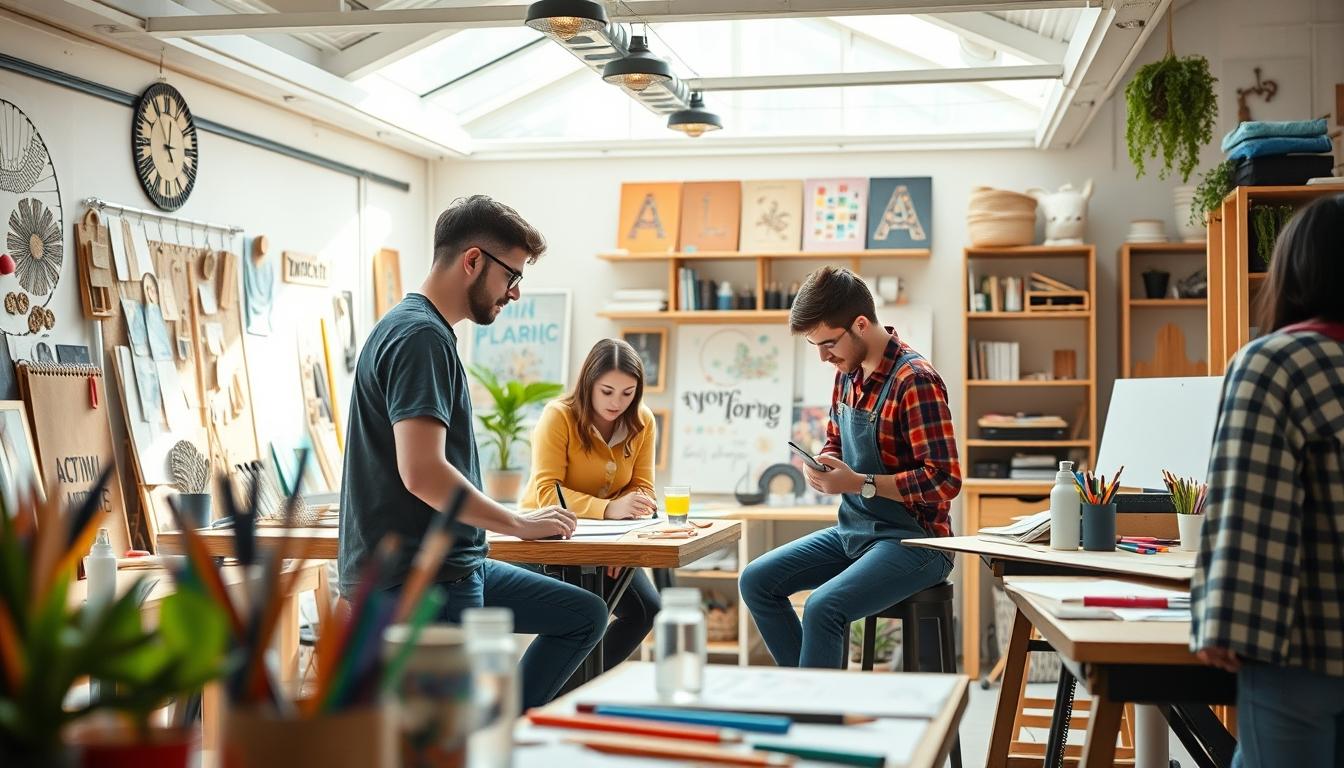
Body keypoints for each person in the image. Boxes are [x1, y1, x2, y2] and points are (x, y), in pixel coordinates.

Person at [337, 195, 607, 709]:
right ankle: (491, 738)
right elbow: (423, 473)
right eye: (513, 276)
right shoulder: (420, 337)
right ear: (474, 260)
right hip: (424, 580)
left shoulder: (420, 329)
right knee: (446, 741)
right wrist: (518, 523)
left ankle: (503, 732)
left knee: (583, 615)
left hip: (454, 566)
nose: (517, 293)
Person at [739, 266, 961, 669]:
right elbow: (835, 440)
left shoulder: (916, 381)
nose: (824, 357)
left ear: (860, 324)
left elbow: (945, 481)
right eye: (815, 347)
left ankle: (815, 721)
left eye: (828, 344)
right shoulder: (848, 373)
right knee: (756, 580)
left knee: (823, 606)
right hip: (856, 530)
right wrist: (823, 464)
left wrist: (859, 483)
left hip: (918, 542)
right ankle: (811, 698)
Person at [1190, 194, 1344, 767]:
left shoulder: (1274, 362)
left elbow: (1249, 508)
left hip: (1304, 645)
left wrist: (1223, 622)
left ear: (1292, 271)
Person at [520, 338, 661, 671]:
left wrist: (618, 545)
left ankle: (571, 692)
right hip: (546, 538)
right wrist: (608, 510)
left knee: (647, 611)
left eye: (628, 393)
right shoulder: (559, 416)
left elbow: (643, 489)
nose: (617, 403)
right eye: (607, 391)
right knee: (582, 614)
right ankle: (554, 694)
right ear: (589, 384)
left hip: (608, 540)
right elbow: (547, 493)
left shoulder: (642, 421)